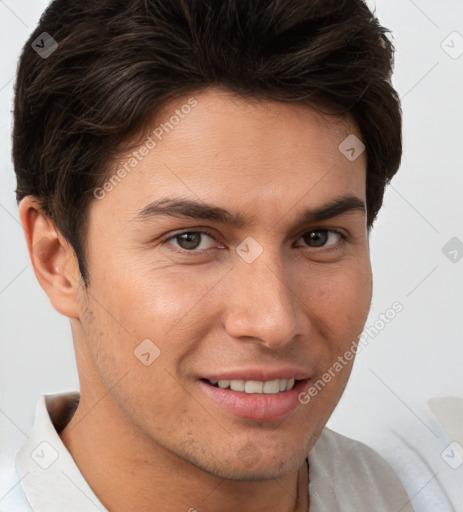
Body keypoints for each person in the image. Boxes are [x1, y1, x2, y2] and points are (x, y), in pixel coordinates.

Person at [2, 0, 414, 510]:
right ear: (55, 259)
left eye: (318, 238)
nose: (274, 322)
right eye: (191, 240)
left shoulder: (457, 493)